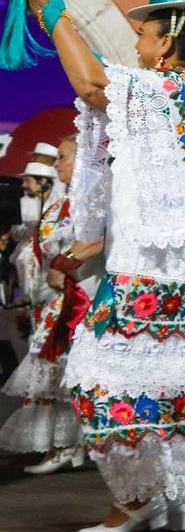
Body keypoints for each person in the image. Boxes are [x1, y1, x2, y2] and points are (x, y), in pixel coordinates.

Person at [22, 0, 185, 532]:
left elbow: (94, 83)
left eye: (144, 35)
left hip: (155, 273)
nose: (139, 47)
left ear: (167, 40)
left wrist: (54, 15)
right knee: (164, 392)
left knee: (96, 382)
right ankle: (164, 497)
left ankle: (136, 500)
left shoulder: (170, 91)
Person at [0, 136, 104, 472]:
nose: (56, 164)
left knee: (59, 369)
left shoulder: (92, 200)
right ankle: (65, 444)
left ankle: (66, 444)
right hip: (49, 299)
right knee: (53, 371)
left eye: (62, 157)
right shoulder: (59, 203)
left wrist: (66, 262)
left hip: (76, 298)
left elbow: (97, 241)